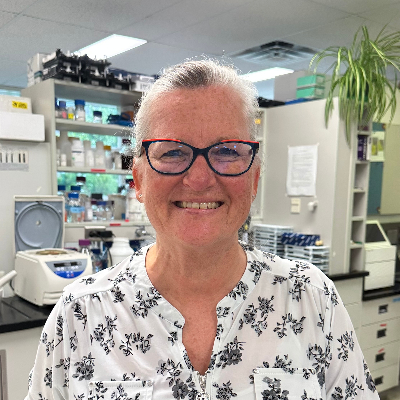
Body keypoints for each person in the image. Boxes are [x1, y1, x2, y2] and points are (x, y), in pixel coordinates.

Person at [26, 60, 379, 400]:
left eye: (227, 151)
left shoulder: (311, 299)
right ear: (139, 180)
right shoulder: (80, 315)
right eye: (172, 153)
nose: (198, 179)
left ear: (254, 179)